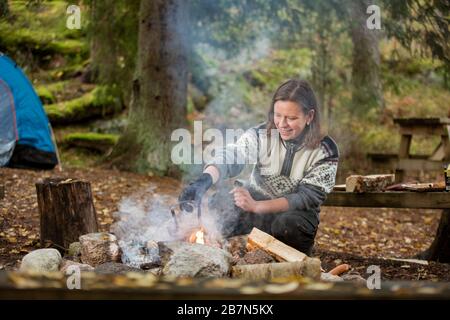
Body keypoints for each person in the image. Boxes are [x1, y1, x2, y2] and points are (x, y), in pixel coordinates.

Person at [179, 79, 339, 256]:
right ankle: (223, 252)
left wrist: (257, 206)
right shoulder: (261, 134)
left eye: (291, 118)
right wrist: (205, 179)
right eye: (278, 115)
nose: (282, 124)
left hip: (294, 215)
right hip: (255, 205)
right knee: (220, 203)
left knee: (289, 225)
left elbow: (305, 197)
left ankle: (290, 256)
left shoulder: (325, 150)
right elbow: (234, 154)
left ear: (309, 116)